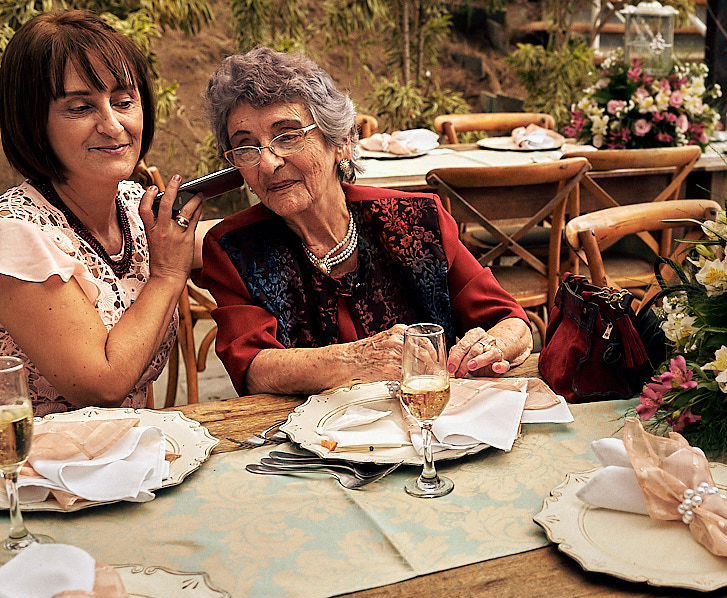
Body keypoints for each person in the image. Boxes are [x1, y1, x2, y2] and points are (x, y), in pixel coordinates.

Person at [199, 47, 533, 396]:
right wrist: (357, 360)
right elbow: (253, 366)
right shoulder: (233, 248)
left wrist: (489, 348)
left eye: (288, 136)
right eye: (246, 146)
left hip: (433, 429)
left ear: (341, 142)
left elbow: (510, 320)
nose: (266, 163)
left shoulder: (417, 220)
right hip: (313, 442)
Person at [0, 10, 203, 415]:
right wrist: (165, 276)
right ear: (33, 121)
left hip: (120, 459)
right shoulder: (16, 235)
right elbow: (102, 384)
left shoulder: (130, 205)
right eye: (80, 107)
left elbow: (217, 243)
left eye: (124, 101)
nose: (113, 125)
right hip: (33, 469)